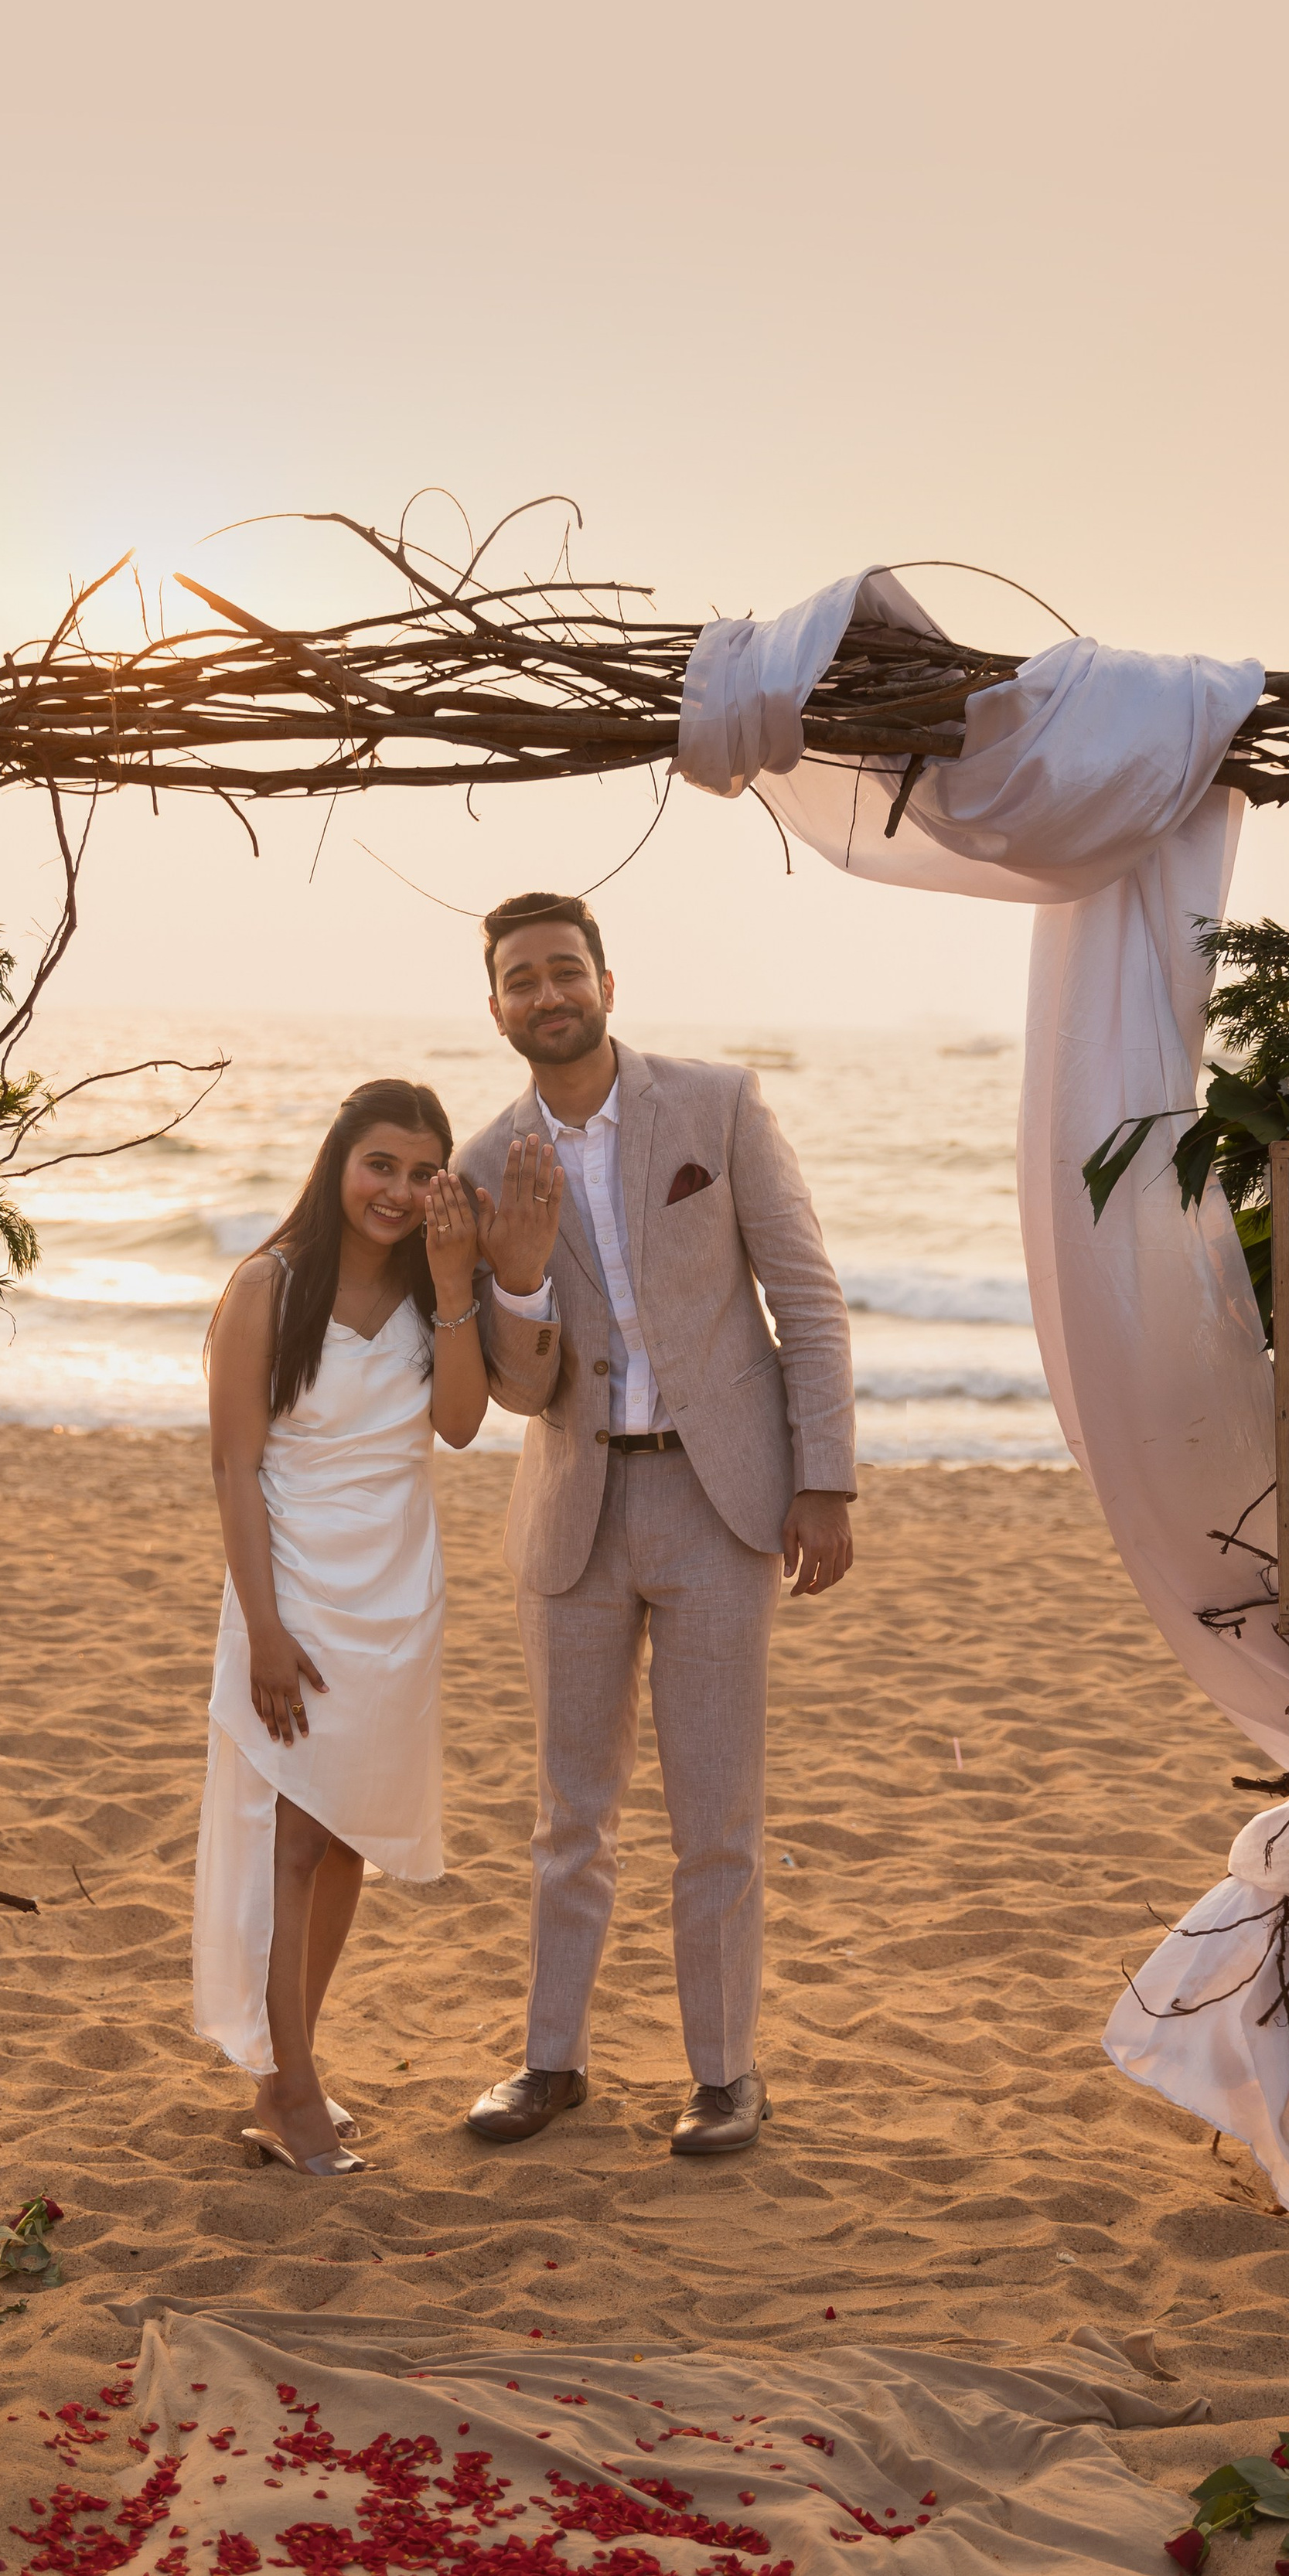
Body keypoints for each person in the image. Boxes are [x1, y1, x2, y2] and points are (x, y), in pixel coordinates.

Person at [458, 893, 856, 2157]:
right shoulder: (481, 1164)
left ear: (608, 983)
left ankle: (726, 2076)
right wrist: (516, 1271)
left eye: (564, 971)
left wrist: (827, 1479)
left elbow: (808, 1300)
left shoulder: (717, 1105)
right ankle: (550, 2062)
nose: (547, 995)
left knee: (716, 1814)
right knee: (568, 1814)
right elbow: (516, 1389)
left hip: (716, 1495)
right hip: (573, 1507)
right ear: (497, 1007)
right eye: (522, 980)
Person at [196, 1076, 561, 2175]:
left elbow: (457, 1424)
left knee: (346, 1832)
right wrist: (262, 1626)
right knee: (293, 1836)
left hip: (397, 1593)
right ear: (337, 1163)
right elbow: (232, 1467)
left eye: (419, 1171)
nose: (396, 1191)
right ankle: (287, 2086)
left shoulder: (424, 1289)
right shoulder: (269, 1282)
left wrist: (458, 1278)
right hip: (294, 1581)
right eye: (378, 1165)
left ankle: (287, 2060)